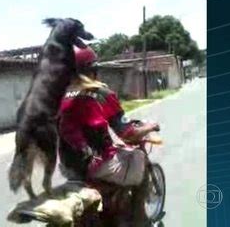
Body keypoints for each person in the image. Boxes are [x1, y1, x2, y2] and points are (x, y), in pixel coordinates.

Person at [57, 46, 159, 225]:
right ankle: (140, 220)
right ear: (92, 70)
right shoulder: (100, 93)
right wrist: (150, 127)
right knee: (140, 158)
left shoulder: (59, 97)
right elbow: (127, 133)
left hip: (68, 166)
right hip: (98, 165)